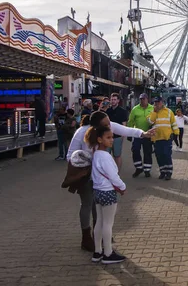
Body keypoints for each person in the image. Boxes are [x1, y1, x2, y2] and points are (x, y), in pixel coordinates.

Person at [66, 111, 155, 252]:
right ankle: (86, 237)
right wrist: (83, 163)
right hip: (84, 174)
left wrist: (143, 133)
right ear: (97, 126)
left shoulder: (106, 129)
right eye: (106, 123)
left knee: (98, 207)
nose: (110, 126)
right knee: (87, 204)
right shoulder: (82, 132)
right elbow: (70, 155)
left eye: (109, 122)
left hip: (98, 176)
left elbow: (126, 130)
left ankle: (100, 237)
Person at [85, 126, 126, 265]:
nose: (112, 140)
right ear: (99, 139)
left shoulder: (95, 154)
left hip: (97, 191)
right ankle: (108, 253)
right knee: (108, 224)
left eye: (112, 137)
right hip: (108, 192)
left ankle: (97, 252)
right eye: (108, 137)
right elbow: (113, 176)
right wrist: (122, 187)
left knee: (99, 222)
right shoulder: (106, 156)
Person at [148, 97, 180, 180]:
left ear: (162, 102)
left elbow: (173, 123)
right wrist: (154, 112)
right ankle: (162, 171)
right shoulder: (152, 112)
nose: (156, 104)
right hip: (156, 138)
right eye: (155, 103)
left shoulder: (169, 111)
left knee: (166, 155)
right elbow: (150, 122)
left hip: (167, 138)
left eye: (158, 102)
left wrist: (176, 133)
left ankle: (169, 172)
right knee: (159, 156)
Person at [128, 94, 154, 178]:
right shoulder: (135, 109)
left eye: (144, 99)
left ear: (147, 99)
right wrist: (129, 133)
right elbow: (131, 121)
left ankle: (147, 170)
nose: (142, 100)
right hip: (137, 134)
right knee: (135, 150)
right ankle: (138, 168)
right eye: (141, 99)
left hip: (148, 134)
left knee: (147, 152)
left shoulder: (152, 108)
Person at [106, 93, 128, 170]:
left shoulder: (122, 111)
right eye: (112, 99)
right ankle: (108, 171)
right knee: (106, 155)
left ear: (118, 101)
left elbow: (124, 124)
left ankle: (117, 172)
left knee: (117, 155)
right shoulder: (107, 111)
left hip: (117, 137)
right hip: (107, 137)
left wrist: (122, 136)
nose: (113, 101)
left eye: (115, 99)